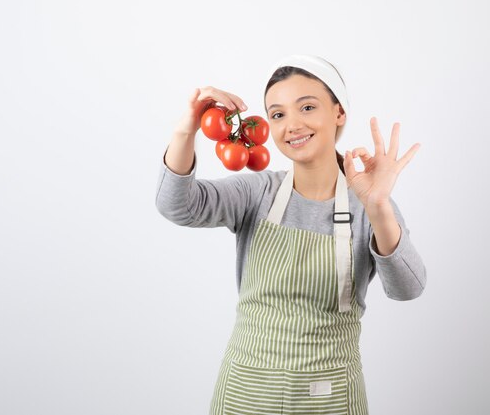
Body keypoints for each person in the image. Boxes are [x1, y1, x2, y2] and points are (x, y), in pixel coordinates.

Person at [155, 54, 427, 415]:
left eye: (308, 107)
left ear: (339, 113)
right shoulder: (257, 193)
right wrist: (186, 130)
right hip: (245, 393)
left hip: (330, 397)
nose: (292, 125)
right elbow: (178, 206)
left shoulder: (369, 204)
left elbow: (407, 288)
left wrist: (379, 207)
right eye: (278, 114)